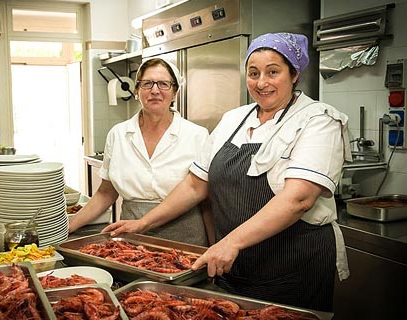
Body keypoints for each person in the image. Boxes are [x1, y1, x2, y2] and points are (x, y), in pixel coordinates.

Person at [104, 32, 351, 312]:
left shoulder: (319, 120)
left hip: (292, 263)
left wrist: (230, 243)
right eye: (253, 73)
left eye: (273, 72)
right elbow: (196, 185)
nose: (261, 83)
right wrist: (143, 223)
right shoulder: (234, 118)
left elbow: (299, 199)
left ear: (294, 75)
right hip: (233, 265)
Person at [69, 57, 210, 246]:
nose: (155, 90)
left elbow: (204, 196)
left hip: (184, 239)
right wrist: (68, 227)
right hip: (130, 239)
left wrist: (214, 244)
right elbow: (106, 193)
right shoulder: (118, 135)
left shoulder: (197, 136)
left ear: (175, 92)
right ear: (137, 90)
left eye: (163, 84)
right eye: (147, 84)